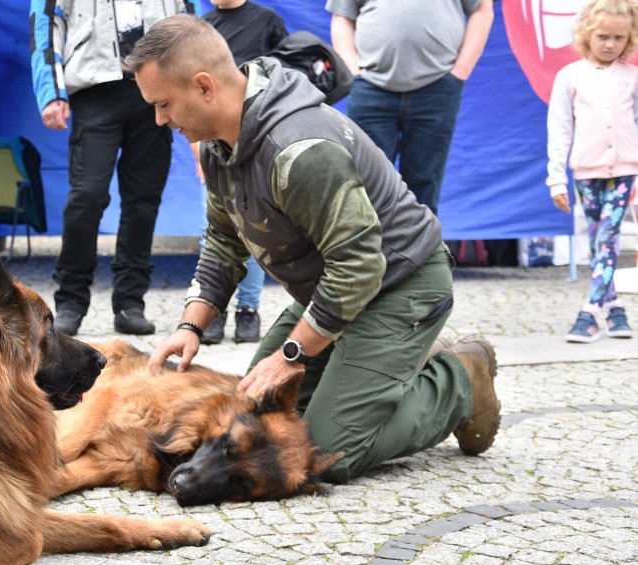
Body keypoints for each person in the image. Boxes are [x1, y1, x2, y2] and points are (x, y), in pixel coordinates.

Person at [126, 15, 501, 483]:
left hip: (402, 288)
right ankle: (390, 364)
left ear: (204, 86)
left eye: (164, 105)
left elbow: (360, 265)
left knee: (322, 454)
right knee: (259, 419)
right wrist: (191, 325)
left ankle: (459, 378)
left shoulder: (299, 148)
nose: (160, 120)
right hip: (336, 296)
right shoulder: (217, 146)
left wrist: (290, 353)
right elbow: (223, 241)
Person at [30, 0, 188, 337]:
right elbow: (44, 22)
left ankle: (131, 303)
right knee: (85, 197)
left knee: (143, 201)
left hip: (157, 88)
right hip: (94, 89)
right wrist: (51, 92)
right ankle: (70, 301)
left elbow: (189, 22)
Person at [324, 0, 494, 214]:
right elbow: (342, 16)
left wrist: (461, 70)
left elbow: (482, 8)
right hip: (371, 87)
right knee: (366, 183)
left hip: (436, 86)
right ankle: (368, 247)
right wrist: (354, 71)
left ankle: (422, 247)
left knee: (424, 185)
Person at [195, 0, 289, 345]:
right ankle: (212, 310)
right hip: (211, 144)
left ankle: (248, 309)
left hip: (256, 143)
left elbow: (283, 79)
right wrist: (198, 151)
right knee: (214, 234)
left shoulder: (267, 21)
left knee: (253, 234)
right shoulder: (201, 28)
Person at [546, 0, 638, 343]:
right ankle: (616, 309)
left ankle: (589, 313)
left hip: (625, 170)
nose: (610, 44)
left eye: (618, 38)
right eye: (603, 36)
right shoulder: (569, 77)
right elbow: (560, 130)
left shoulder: (633, 77)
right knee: (600, 242)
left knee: (610, 237)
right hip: (585, 172)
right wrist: (556, 178)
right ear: (587, 33)